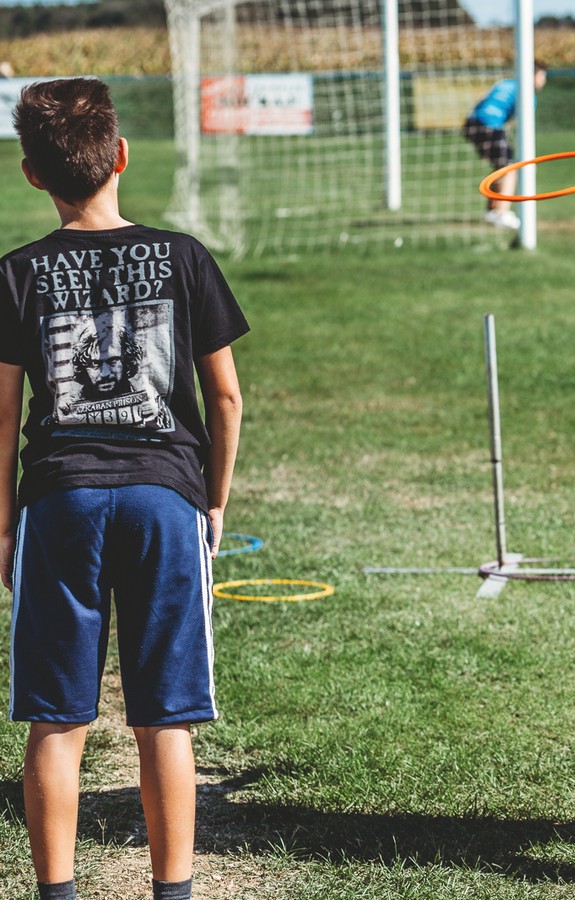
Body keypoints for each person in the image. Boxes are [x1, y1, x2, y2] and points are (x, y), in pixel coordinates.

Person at [1, 77, 247, 900]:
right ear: (122, 157)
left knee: (56, 718)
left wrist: (3, 528)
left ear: (32, 174)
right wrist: (210, 502)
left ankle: (55, 894)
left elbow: (2, 417)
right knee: (164, 716)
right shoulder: (184, 256)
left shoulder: (17, 273)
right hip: (164, 497)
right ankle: (172, 891)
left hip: (58, 500)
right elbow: (226, 398)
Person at [463, 62, 548, 230]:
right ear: (534, 75)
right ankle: (501, 213)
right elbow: (523, 128)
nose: (543, 81)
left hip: (471, 124)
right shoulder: (527, 94)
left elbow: (482, 98)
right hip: (490, 125)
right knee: (511, 167)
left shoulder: (506, 83)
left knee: (500, 167)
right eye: (543, 76)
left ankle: (491, 211)